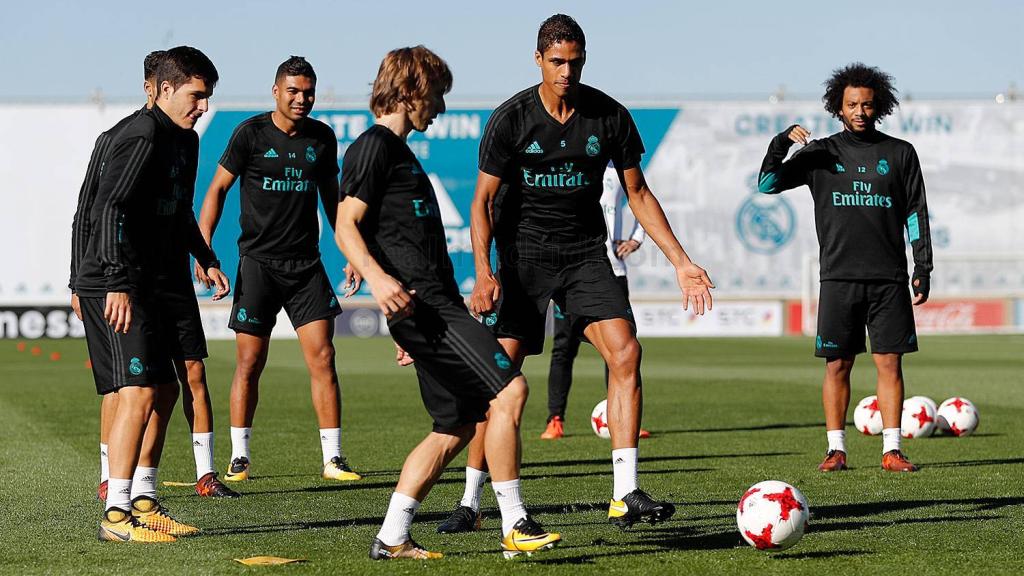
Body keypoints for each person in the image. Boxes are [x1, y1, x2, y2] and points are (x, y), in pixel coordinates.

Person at [442, 14, 714, 535]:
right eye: (557, 62)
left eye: (575, 61)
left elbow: (637, 192)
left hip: (587, 254)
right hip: (523, 259)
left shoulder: (609, 116)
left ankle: (625, 494)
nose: (567, 71)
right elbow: (481, 201)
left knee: (626, 352)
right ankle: (472, 500)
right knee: (499, 379)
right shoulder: (511, 119)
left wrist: (681, 261)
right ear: (539, 60)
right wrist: (483, 272)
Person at [335, 45, 560, 560]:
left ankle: (392, 535)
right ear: (412, 89)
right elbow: (345, 223)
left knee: (455, 426)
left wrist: (377, 273)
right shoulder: (375, 146)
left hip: (429, 311)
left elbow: (372, 227)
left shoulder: (397, 151)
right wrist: (376, 278)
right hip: (427, 310)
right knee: (511, 392)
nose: (439, 107)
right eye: (436, 95)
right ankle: (515, 521)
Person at [71, 51, 238, 503]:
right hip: (122, 282)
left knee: (164, 389)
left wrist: (204, 256)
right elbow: (104, 208)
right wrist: (114, 283)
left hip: (156, 279)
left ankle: (144, 496)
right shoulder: (138, 135)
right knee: (137, 392)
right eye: (196, 96)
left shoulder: (186, 140)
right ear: (164, 89)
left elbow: (179, 210)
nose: (203, 107)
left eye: (208, 97)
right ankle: (118, 509)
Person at [756, 62, 933, 473]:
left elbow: (915, 214)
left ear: (880, 107)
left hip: (888, 279)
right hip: (838, 277)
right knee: (838, 365)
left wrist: (922, 266)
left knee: (890, 363)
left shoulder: (900, 154)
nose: (860, 111)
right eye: (852, 104)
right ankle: (836, 449)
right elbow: (766, 184)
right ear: (837, 107)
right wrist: (782, 142)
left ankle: (892, 450)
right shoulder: (820, 153)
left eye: (868, 105)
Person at [198, 56, 361, 484]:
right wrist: (203, 250)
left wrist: (352, 252)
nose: (301, 99)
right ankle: (240, 456)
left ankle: (334, 458)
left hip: (306, 265)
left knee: (324, 356)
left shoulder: (322, 138)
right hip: (258, 265)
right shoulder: (249, 134)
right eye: (292, 91)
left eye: (307, 92)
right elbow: (216, 189)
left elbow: (334, 200)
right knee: (250, 362)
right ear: (275, 91)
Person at [541, 163, 649, 440]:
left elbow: (642, 199)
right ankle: (555, 419)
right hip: (573, 272)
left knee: (620, 347)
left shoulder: (619, 170)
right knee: (564, 348)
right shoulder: (570, 166)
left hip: (613, 270)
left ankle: (624, 417)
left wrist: (636, 240)